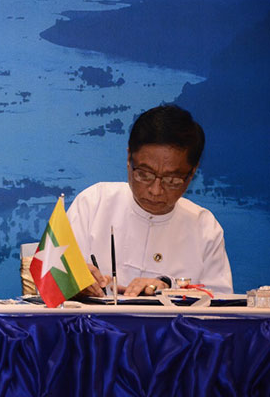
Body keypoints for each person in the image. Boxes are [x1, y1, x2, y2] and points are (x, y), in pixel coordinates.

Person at [68, 104, 233, 297]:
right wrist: (72, 284)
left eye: (172, 180)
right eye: (145, 174)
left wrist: (169, 290)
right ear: (129, 158)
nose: (155, 191)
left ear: (192, 172)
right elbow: (48, 286)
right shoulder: (93, 204)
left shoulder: (204, 227)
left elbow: (221, 305)